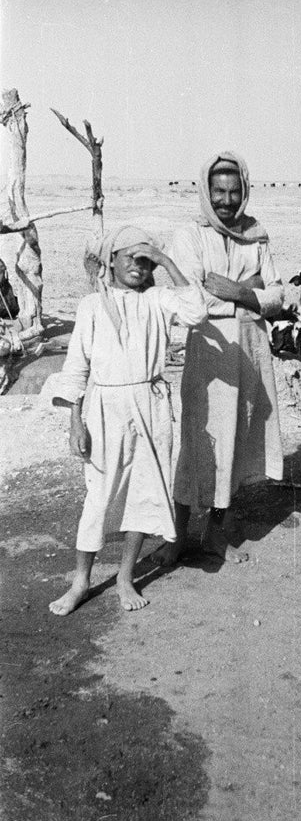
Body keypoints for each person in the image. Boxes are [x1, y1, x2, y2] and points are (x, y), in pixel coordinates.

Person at [48, 225, 208, 616]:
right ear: (111, 261)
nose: (138, 266)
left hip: (150, 403)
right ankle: (81, 582)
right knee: (99, 495)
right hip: (106, 407)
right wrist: (75, 421)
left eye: (144, 259)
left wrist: (166, 260)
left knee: (145, 490)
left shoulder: (156, 299)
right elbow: (76, 367)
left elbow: (197, 311)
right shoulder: (91, 306)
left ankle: (123, 578)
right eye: (129, 257)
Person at [152, 151, 284, 565]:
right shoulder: (190, 236)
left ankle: (214, 533)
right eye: (218, 192)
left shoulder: (257, 234)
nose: (226, 201)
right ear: (206, 192)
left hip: (251, 350)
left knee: (238, 441)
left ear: (245, 191)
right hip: (208, 351)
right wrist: (250, 292)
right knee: (198, 441)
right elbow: (194, 297)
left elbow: (278, 297)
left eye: (234, 191)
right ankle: (176, 535)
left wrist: (240, 291)